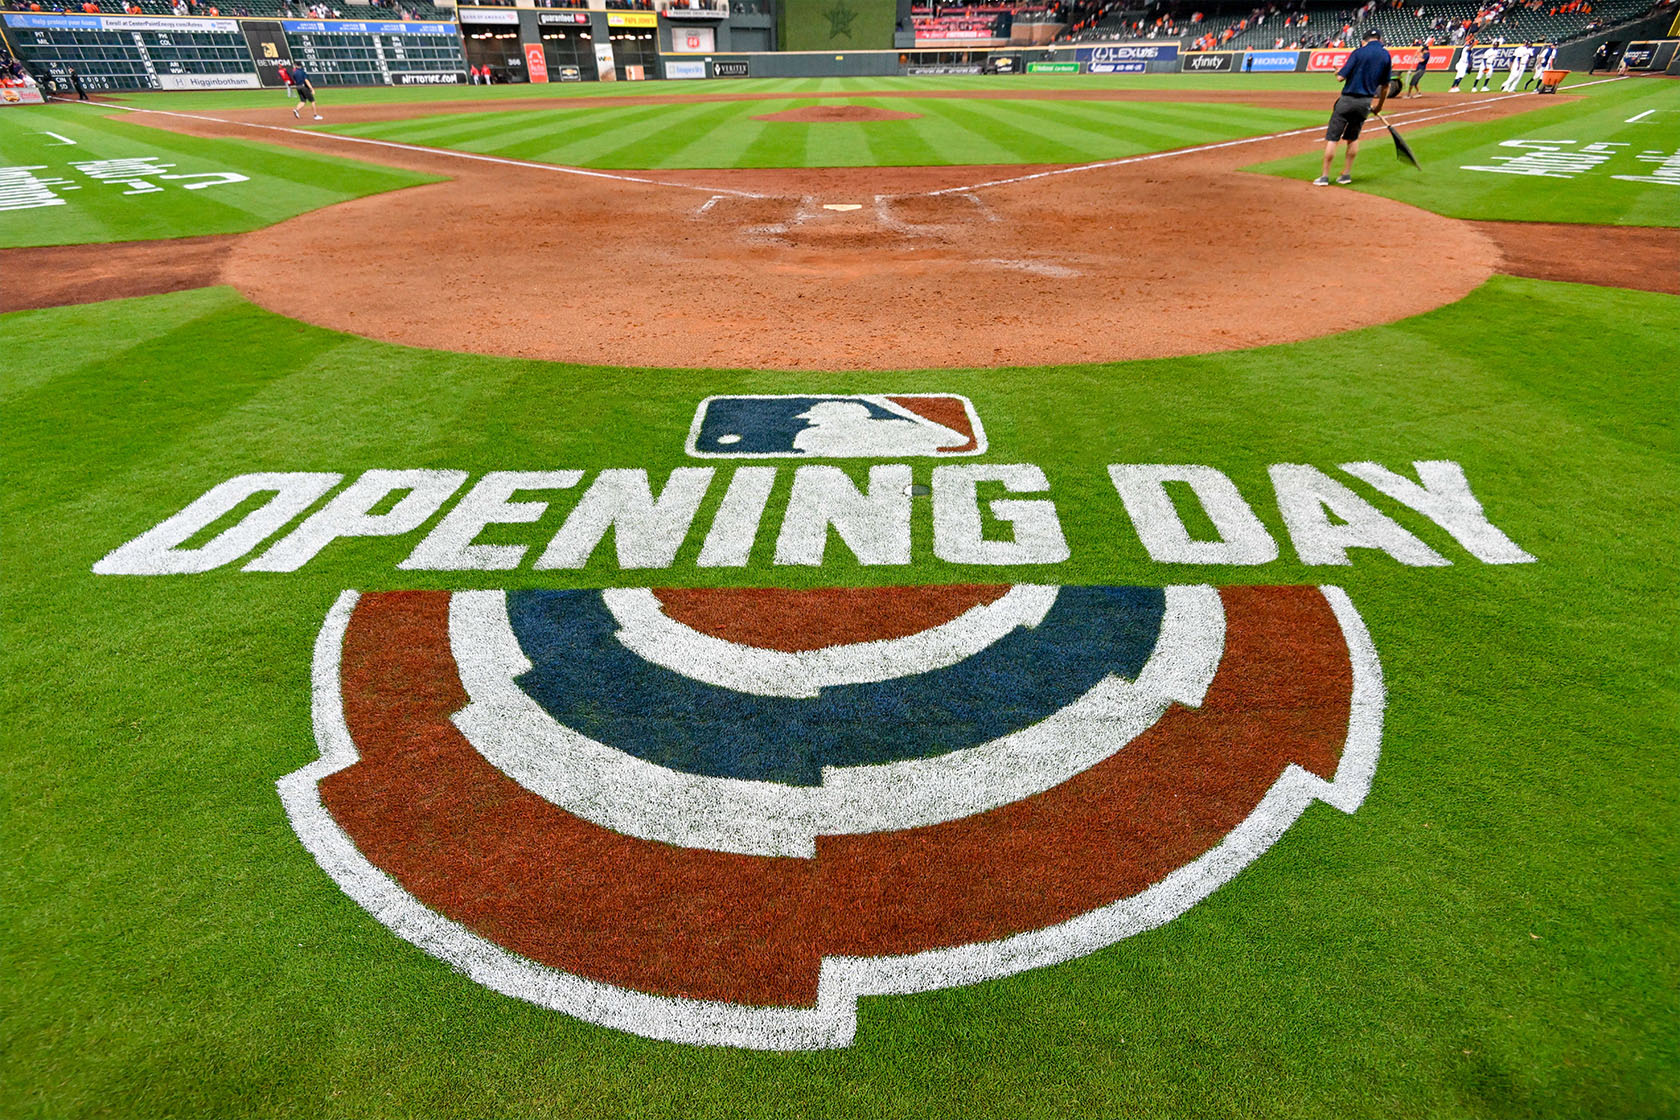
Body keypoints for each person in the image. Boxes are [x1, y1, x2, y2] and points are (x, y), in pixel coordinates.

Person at [1316, 27, 1391, 185]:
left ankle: (1324, 177)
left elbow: (1341, 77)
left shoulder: (1358, 52)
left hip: (1347, 100)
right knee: (1353, 138)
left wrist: (1337, 72)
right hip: (1365, 103)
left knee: (1333, 138)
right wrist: (1379, 107)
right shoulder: (1385, 55)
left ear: (1364, 40)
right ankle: (1346, 174)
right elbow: (1385, 86)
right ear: (1380, 39)